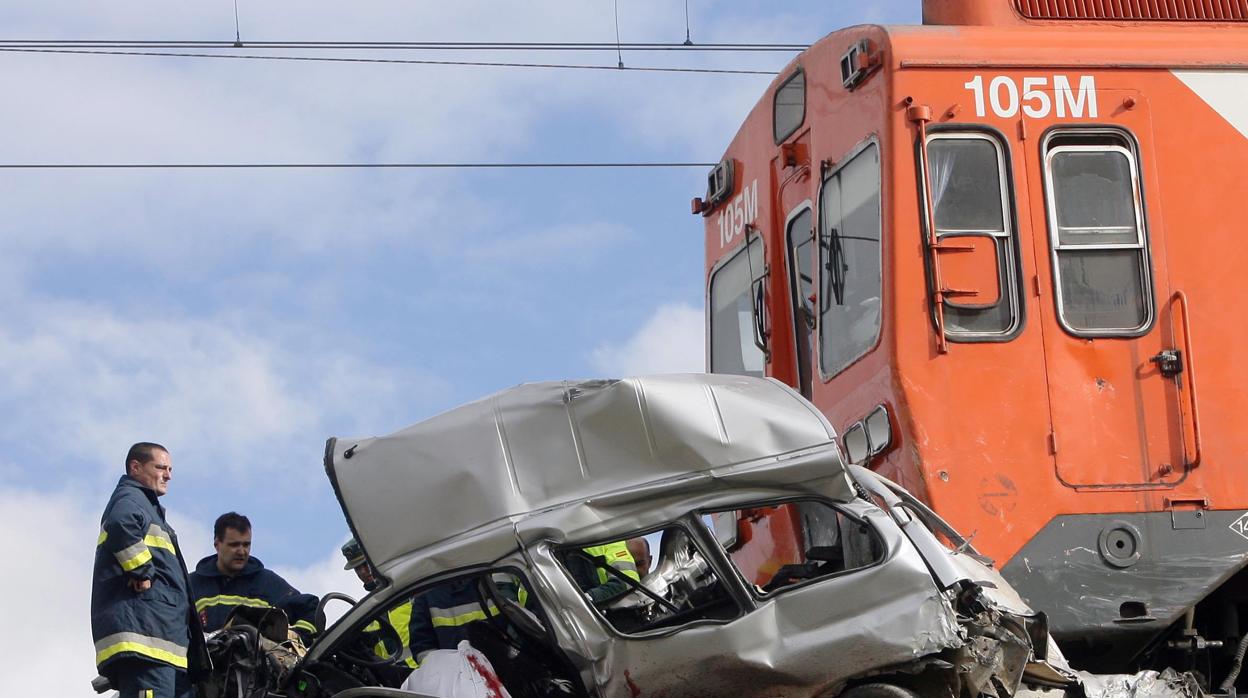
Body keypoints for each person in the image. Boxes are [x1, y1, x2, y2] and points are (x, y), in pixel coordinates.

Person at [91, 442, 206, 698]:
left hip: (164, 645)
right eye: (161, 467)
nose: (168, 475)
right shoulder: (131, 499)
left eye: (170, 469)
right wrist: (141, 571)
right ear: (135, 467)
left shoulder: (146, 506)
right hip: (146, 642)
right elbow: (121, 524)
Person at [189, 512, 319, 642]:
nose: (241, 551)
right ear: (217, 544)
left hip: (257, 661)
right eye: (234, 545)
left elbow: (311, 610)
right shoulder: (192, 585)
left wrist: (295, 636)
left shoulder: (267, 583)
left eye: (246, 544)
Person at [342, 538, 419, 669]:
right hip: (397, 683)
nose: (362, 572)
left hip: (429, 670)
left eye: (365, 565)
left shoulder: (412, 590)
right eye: (357, 569)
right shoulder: (366, 611)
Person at [569, 541, 641, 604]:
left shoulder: (609, 538)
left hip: (611, 611)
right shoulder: (559, 546)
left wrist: (590, 597)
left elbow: (627, 581)